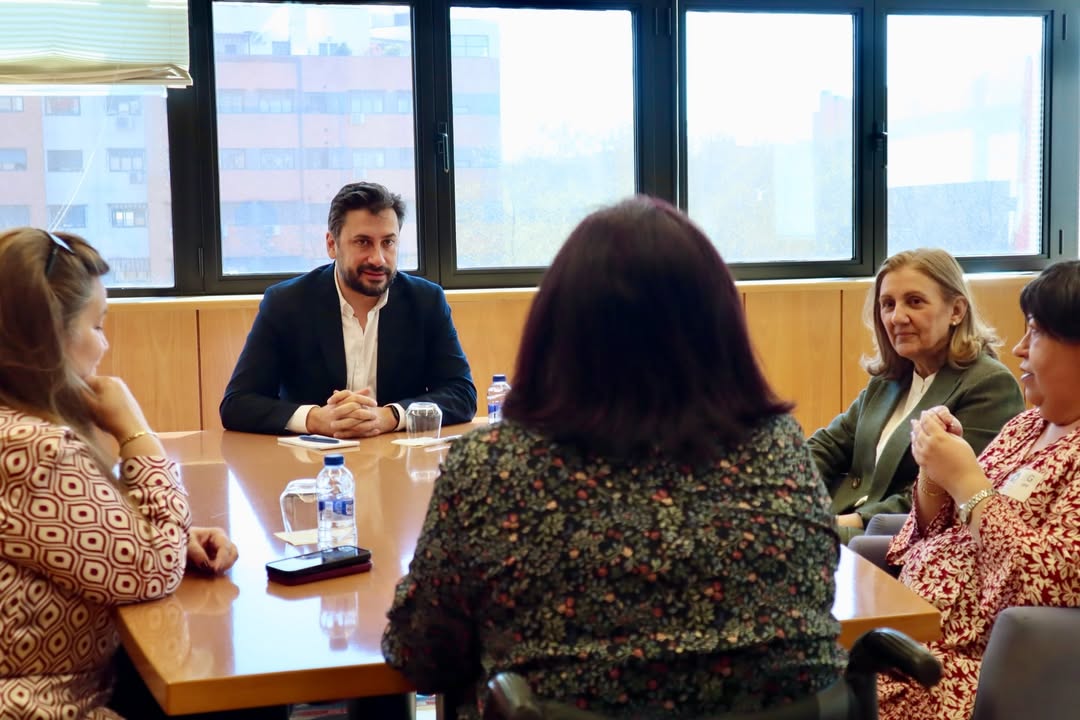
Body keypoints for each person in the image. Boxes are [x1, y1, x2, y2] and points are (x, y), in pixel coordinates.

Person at [382, 197, 845, 718]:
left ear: (557, 332)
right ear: (720, 330)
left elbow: (420, 654)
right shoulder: (779, 447)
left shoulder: (492, 469)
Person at [0, 228, 238, 720]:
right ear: (50, 337)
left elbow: (74, 537)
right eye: (98, 325)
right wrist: (135, 429)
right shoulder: (33, 449)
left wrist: (172, 534)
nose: (105, 346)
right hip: (46, 705)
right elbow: (152, 568)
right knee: (231, 690)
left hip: (63, 682)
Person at [877, 260, 1080, 719]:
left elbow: (1041, 585)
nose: (1019, 348)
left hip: (961, 670)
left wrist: (967, 480)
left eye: (1037, 333)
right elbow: (928, 535)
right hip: (906, 636)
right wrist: (935, 470)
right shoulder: (1028, 425)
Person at [219, 181, 476, 437]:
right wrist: (314, 419)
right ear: (332, 244)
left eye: (388, 243)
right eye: (363, 242)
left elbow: (461, 393)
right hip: (311, 467)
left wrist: (391, 415)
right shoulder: (287, 302)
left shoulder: (425, 300)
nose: (378, 258)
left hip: (395, 458)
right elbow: (237, 403)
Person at [808, 248, 1024, 543]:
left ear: (957, 311)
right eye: (887, 304)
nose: (897, 316)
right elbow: (830, 445)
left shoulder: (989, 384)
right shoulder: (889, 380)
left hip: (892, 536)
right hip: (837, 517)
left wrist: (845, 520)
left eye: (915, 302)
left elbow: (945, 494)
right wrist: (782, 487)